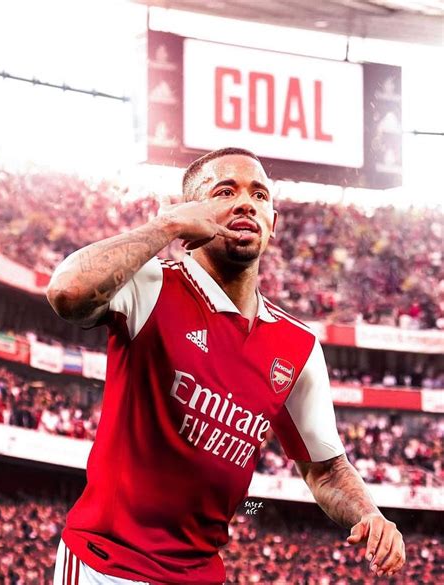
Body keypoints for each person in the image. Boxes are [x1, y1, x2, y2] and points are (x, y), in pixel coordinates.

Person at [47, 147, 405, 584]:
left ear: (273, 221)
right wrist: (166, 226)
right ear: (190, 209)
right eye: (225, 191)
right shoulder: (152, 283)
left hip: (200, 574)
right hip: (106, 564)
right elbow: (67, 292)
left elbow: (326, 469)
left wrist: (370, 515)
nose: (245, 203)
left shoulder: (298, 346)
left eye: (259, 195)